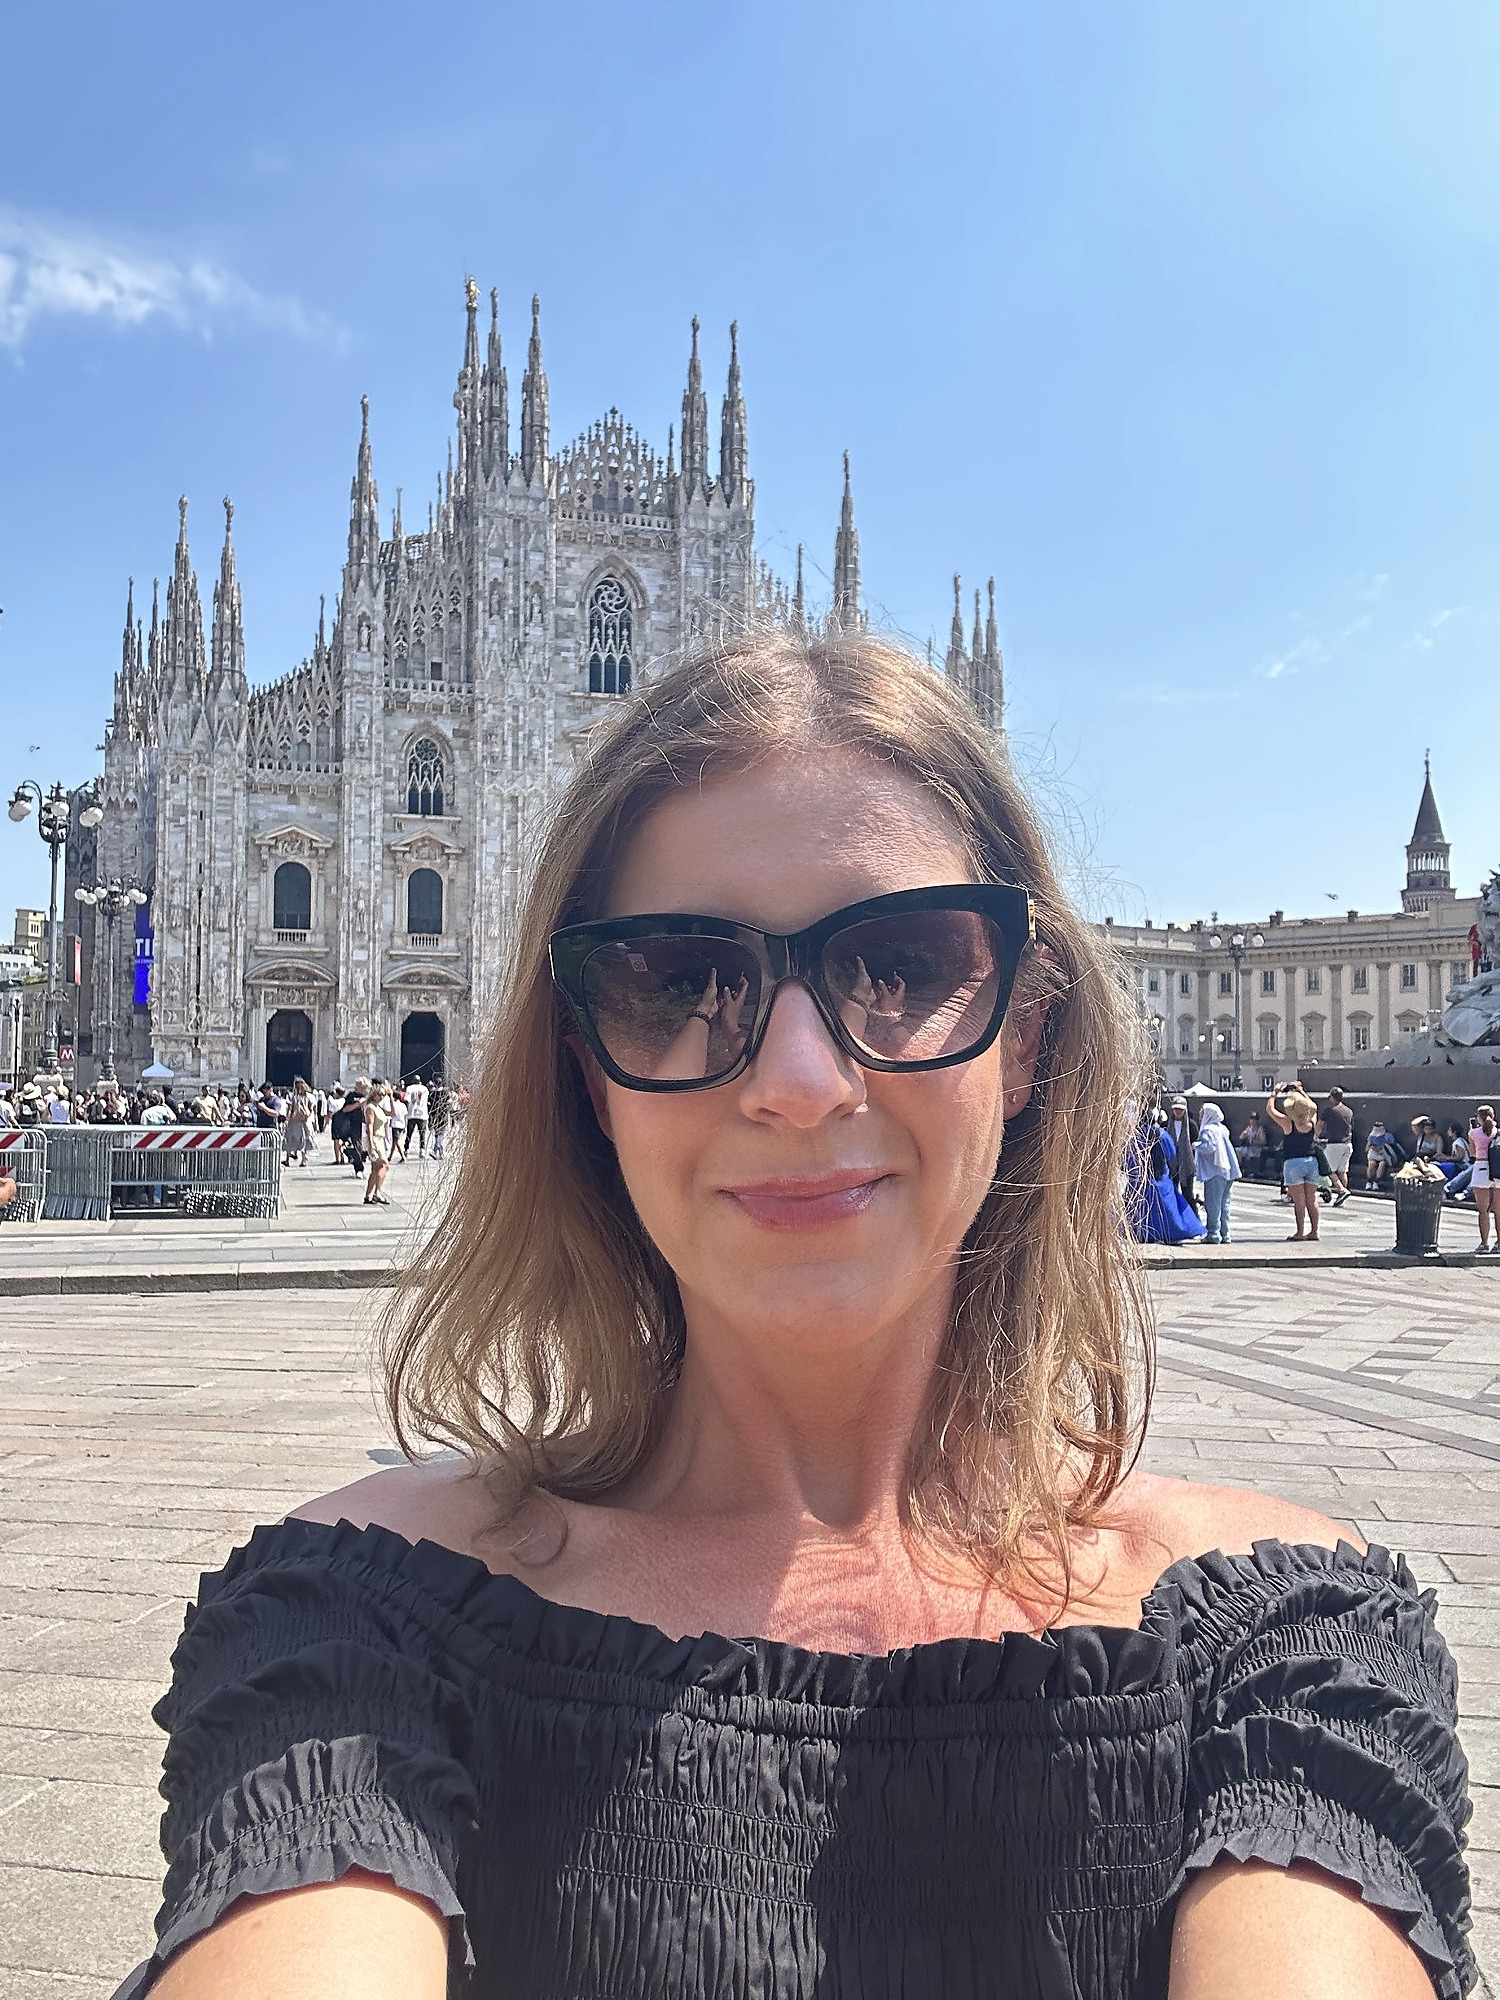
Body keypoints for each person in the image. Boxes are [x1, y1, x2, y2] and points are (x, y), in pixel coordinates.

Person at [117, 635, 1471, 2000]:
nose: (800, 1077)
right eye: (681, 978)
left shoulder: (1288, 1651)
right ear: (586, 1072)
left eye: (901, 964)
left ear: (1028, 1035)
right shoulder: (357, 1628)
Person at [1266, 1082, 1321, 1240]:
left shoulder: (1288, 1123)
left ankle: (1300, 1232)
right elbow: (1313, 1106)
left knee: (1299, 1201)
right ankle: (1314, 1231)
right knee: (1311, 1199)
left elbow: (1270, 1110)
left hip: (1293, 1163)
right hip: (1311, 1161)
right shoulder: (1311, 1122)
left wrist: (1274, 1093)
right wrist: (1302, 1091)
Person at [1192, 1101, 1241, 1244]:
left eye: (1202, 1113)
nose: (1200, 1116)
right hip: (1228, 1170)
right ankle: (1225, 1234)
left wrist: (1196, 1145)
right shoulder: (1223, 1128)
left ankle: (1213, 1234)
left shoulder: (1208, 1130)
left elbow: (1209, 1147)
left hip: (1214, 1170)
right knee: (1225, 1204)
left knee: (1213, 1204)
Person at [1316, 1086, 1354, 1206]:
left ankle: (1342, 1191)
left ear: (1333, 1097)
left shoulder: (1329, 1111)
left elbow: (1320, 1125)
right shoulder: (1349, 1111)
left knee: (1329, 1170)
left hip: (1334, 1144)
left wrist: (1315, 1137)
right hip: (1347, 1144)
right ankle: (1342, 1195)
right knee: (1342, 1171)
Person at [1469, 1103, 1498, 1251]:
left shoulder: (1473, 1133)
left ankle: (1484, 1243)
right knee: (1498, 1210)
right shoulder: (1497, 1133)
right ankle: (1499, 1244)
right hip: (1498, 1171)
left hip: (1481, 1168)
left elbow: (1473, 1153)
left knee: (1483, 1210)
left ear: (1479, 1118)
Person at [1164, 1095, 1198, 1213]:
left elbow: (1195, 1141)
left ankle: (1193, 1218)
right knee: (1171, 1192)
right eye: (1175, 1109)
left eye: (1180, 1109)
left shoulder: (1191, 1125)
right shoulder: (1166, 1125)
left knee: (1188, 1194)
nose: (1178, 1112)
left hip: (1186, 1163)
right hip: (1171, 1163)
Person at [363, 1079, 392, 1205]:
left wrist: (391, 1097)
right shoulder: (370, 1107)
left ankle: (368, 1196)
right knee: (384, 1165)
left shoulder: (378, 1107)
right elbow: (369, 1126)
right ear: (373, 1094)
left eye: (383, 1095)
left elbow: (393, 1113)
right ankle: (377, 1193)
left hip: (380, 1139)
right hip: (375, 1139)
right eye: (379, 1094)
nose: (381, 1097)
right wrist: (371, 1145)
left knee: (375, 1169)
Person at [282, 1085, 315, 1168]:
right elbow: (311, 1109)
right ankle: (303, 1159)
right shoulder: (309, 1096)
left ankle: (287, 1159)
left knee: (290, 1139)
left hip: (294, 1121)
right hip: (304, 1121)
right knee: (303, 1139)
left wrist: (287, 1120)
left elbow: (290, 1109)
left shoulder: (292, 1096)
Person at [1365, 1119, 1399, 1190]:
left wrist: (1383, 1148)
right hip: (1373, 1155)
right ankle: (1369, 1182)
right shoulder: (1371, 1136)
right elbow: (1366, 1149)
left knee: (1382, 1164)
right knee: (1372, 1164)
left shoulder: (1388, 1136)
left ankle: (1376, 1182)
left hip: (1384, 1156)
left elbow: (1392, 1147)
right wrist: (1372, 1147)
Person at [1234, 1108, 1268, 1179]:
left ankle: (1241, 1171)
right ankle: (1238, 1169)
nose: (1253, 1121)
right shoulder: (1249, 1128)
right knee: (1237, 1150)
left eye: (1255, 1119)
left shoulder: (1260, 1129)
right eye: (1252, 1119)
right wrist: (1243, 1135)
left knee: (1245, 1153)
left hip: (1258, 1149)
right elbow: (1241, 1138)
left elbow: (1263, 1142)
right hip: (1249, 1148)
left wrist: (1252, 1141)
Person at [404, 1076, 429, 1157]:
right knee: (422, 1133)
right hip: (422, 1114)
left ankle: (406, 1149)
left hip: (412, 1114)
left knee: (409, 1133)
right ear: (420, 1081)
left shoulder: (409, 1088)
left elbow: (407, 1099)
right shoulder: (424, 1089)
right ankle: (422, 1150)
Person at [386, 1086, 409, 1164]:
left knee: (396, 1141)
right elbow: (405, 1116)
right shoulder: (403, 1105)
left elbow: (391, 1113)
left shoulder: (393, 1105)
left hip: (395, 1124)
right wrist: (405, 1126)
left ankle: (403, 1156)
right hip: (401, 1124)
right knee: (394, 1141)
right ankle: (390, 1157)